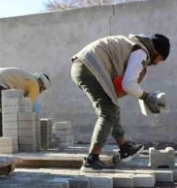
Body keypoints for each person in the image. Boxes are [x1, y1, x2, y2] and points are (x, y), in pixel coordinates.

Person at [71, 33, 170, 171]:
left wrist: (143, 96)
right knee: (107, 113)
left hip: (86, 65)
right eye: (161, 59)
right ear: (157, 53)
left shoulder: (132, 46)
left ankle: (125, 148)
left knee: (112, 108)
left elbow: (123, 84)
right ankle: (91, 160)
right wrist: (146, 97)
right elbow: (128, 84)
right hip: (89, 68)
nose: (158, 63)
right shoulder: (140, 52)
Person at [0, 67, 52, 137]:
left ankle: (2, 143)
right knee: (9, 116)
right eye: (43, 88)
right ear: (41, 83)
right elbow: (27, 105)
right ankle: (10, 141)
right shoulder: (35, 84)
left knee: (0, 116)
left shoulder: (25, 78)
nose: (41, 91)